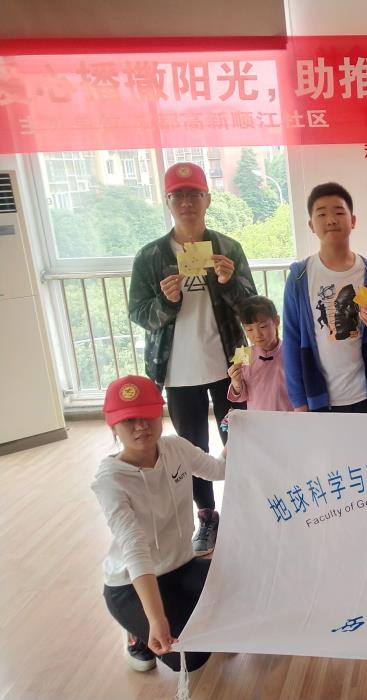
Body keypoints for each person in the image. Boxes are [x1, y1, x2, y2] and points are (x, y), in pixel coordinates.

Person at [128, 162, 255, 556]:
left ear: (207, 199)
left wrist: (229, 282)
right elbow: (139, 313)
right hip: (177, 371)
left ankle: (247, 511)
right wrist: (167, 302)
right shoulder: (150, 256)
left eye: (194, 194)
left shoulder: (228, 249)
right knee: (191, 447)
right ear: (167, 201)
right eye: (178, 195)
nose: (186, 202)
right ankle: (207, 516)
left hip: (229, 366)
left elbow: (251, 307)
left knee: (240, 437)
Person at [92, 375, 225, 674]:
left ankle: (172, 613)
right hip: (130, 584)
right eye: (129, 420)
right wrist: (155, 619)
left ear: (159, 413)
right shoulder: (110, 481)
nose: (141, 426)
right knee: (190, 657)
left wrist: (241, 430)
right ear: (113, 425)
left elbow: (219, 470)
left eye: (147, 415)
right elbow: (134, 548)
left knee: (238, 591)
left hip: (181, 566)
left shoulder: (176, 448)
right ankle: (136, 632)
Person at [282, 182, 367, 413]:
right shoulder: (300, 276)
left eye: (339, 212)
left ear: (353, 220)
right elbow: (291, 340)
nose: (331, 220)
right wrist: (299, 402)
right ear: (311, 225)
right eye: (321, 214)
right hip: (320, 399)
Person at [227, 295, 291, 412]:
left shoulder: (291, 351)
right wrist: (236, 382)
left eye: (262, 326)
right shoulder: (243, 354)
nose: (257, 334)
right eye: (249, 329)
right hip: (257, 418)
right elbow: (240, 397)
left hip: (288, 416)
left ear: (276, 321)